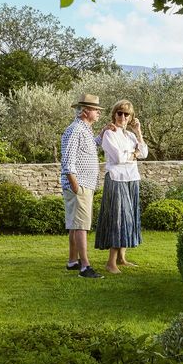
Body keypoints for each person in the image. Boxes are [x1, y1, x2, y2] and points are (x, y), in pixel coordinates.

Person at [95, 99, 148, 274]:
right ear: (114, 114)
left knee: (129, 217)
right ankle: (111, 262)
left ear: (131, 117)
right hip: (116, 179)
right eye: (120, 113)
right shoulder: (109, 134)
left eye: (127, 114)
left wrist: (139, 132)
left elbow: (144, 153)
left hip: (132, 178)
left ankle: (122, 258)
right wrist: (134, 154)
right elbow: (117, 158)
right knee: (118, 219)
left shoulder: (131, 136)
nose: (123, 117)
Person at [61, 93, 107, 279]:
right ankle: (85, 267)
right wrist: (75, 186)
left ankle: (73, 261)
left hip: (83, 184)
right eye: (96, 110)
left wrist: (102, 133)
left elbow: (89, 148)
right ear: (86, 111)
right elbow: (68, 160)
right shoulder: (76, 130)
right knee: (81, 226)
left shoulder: (84, 130)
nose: (98, 113)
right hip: (79, 185)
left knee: (74, 225)